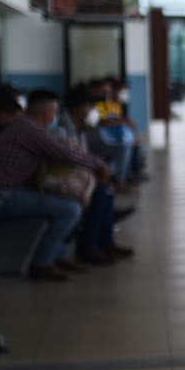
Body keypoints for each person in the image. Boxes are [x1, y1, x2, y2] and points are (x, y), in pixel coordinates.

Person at [0, 89, 111, 281]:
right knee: (70, 209)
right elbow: (63, 153)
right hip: (2, 196)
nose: (55, 116)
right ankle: (42, 263)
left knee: (67, 198)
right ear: (46, 114)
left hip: (9, 191)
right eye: (55, 112)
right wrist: (99, 164)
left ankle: (58, 256)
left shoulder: (24, 126)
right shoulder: (30, 129)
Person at [53, 85, 134, 266]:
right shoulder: (63, 129)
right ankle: (88, 248)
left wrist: (98, 168)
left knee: (106, 188)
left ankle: (105, 243)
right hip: (63, 177)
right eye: (89, 106)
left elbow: (83, 155)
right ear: (78, 107)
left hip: (76, 175)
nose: (92, 110)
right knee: (99, 191)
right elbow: (70, 158)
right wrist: (97, 168)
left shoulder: (79, 126)